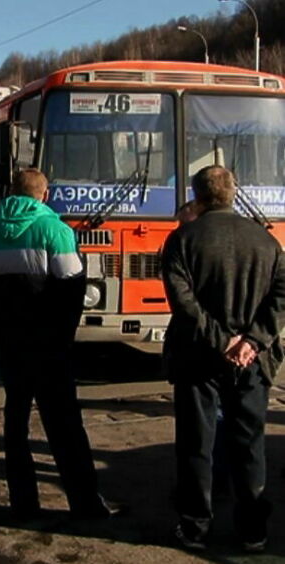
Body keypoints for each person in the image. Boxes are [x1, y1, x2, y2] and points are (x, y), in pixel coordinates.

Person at [0, 168, 120, 521]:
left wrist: (0, 323)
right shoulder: (56, 230)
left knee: (15, 421)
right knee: (65, 424)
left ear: (11, 193)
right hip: (50, 346)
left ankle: (23, 504)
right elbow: (72, 289)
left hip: (11, 343)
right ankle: (86, 504)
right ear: (44, 195)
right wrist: (62, 338)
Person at [162, 165, 285, 552]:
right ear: (233, 193)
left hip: (198, 359)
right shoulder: (266, 242)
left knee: (197, 444)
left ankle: (196, 527)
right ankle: (252, 531)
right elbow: (281, 297)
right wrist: (252, 341)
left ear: (197, 196)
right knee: (249, 444)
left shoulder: (182, 240)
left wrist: (223, 341)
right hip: (252, 362)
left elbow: (184, 303)